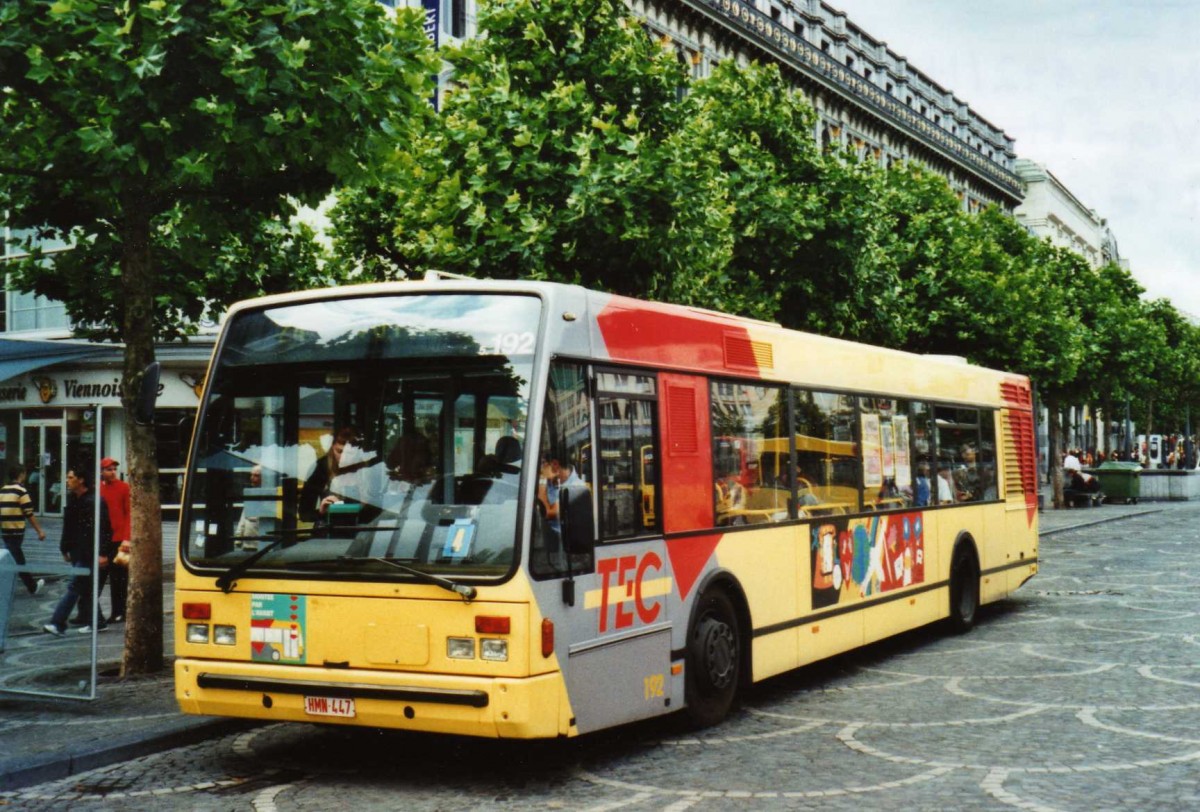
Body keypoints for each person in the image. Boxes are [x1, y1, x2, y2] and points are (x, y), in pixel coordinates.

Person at [43, 468, 113, 636]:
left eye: (70, 477)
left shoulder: (95, 501)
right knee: (86, 588)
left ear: (81, 480)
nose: (67, 480)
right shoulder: (74, 499)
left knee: (74, 586)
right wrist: (64, 547)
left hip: (89, 552)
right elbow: (69, 526)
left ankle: (57, 623)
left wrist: (103, 553)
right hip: (77, 550)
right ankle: (98, 622)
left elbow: (105, 529)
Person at [0, 463, 47, 596]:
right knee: (17, 559)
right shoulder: (21, 490)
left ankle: (30, 586)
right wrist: (39, 531)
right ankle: (32, 586)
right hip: (17, 530)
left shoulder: (3, 490)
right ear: (21, 475)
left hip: (5, 530)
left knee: (14, 558)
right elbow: (29, 513)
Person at [98, 457, 131, 623]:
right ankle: (89, 612)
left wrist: (126, 538)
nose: (112, 472)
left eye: (113, 469)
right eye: (108, 469)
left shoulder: (124, 488)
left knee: (119, 579)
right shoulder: (97, 489)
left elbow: (129, 514)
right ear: (102, 472)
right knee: (99, 577)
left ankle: (119, 612)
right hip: (103, 538)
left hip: (118, 539)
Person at [234, 465, 264, 549]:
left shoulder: (268, 496)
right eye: (251, 475)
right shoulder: (251, 494)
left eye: (256, 476)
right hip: (247, 545)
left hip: (261, 546)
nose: (252, 478)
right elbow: (244, 518)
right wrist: (238, 538)